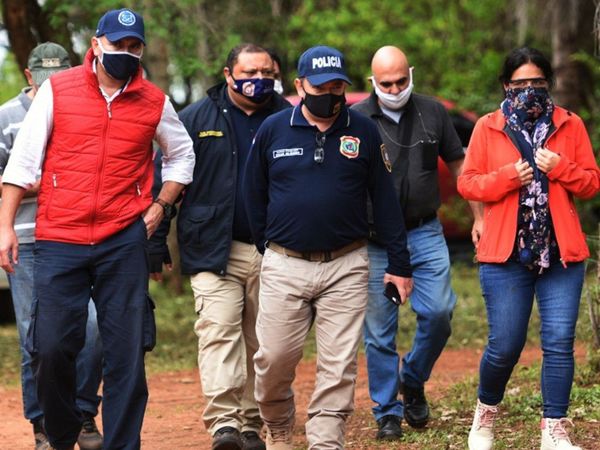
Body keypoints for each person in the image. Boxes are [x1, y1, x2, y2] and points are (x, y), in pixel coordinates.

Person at [0, 8, 195, 450]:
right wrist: (5, 227)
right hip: (57, 238)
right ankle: (63, 431)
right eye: (117, 44)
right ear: (95, 44)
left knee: (125, 354)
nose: (126, 53)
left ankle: (122, 444)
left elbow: (183, 156)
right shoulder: (58, 90)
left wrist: (162, 204)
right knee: (49, 348)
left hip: (122, 240)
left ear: (141, 49)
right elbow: (22, 162)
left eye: (134, 46)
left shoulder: (154, 101)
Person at [243, 45, 413, 450]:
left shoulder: (363, 130)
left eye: (338, 86)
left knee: (338, 369)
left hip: (347, 264)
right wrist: (268, 246)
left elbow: (384, 200)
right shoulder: (273, 129)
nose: (331, 94)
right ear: (299, 85)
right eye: (321, 86)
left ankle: (325, 442)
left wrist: (399, 263)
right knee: (273, 361)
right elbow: (252, 194)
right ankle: (279, 424)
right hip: (285, 263)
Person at [457, 47, 600, 450]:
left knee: (558, 342)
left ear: (548, 84)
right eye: (521, 84)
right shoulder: (489, 127)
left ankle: (554, 428)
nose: (530, 91)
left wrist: (562, 169)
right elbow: (467, 183)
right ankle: (485, 414)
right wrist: (506, 177)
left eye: (538, 83)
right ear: (507, 86)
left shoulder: (570, 125)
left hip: (560, 254)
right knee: (505, 345)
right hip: (505, 255)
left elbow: (592, 183)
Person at [149, 43, 290, 450]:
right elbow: (168, 180)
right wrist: (157, 241)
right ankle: (224, 424)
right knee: (218, 332)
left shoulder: (288, 118)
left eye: (266, 72)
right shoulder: (193, 119)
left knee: (262, 340)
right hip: (213, 247)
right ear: (228, 74)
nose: (259, 79)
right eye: (249, 72)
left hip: (275, 250)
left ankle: (251, 423)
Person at [352, 45, 483, 440]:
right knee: (378, 331)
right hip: (374, 239)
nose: (395, 89)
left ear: (411, 73)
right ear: (373, 83)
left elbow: (459, 164)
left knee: (440, 311)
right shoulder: (356, 119)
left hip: (424, 230)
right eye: (386, 83)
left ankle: (413, 377)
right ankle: (387, 412)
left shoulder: (433, 111)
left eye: (401, 80)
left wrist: (479, 217)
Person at [0, 42, 104, 450]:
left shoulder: (83, 106)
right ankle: (42, 424)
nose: (49, 86)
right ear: (29, 76)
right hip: (27, 238)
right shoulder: (7, 117)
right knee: (35, 337)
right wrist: (54, 180)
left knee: (93, 330)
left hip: (79, 236)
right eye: (42, 79)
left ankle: (81, 413)